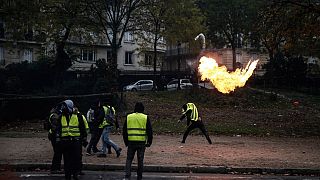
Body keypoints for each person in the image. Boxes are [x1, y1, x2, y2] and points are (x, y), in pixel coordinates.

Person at [57, 100, 88, 180]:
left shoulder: (78, 116)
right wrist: (58, 139)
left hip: (75, 141)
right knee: (67, 160)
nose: (63, 108)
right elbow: (59, 129)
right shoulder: (61, 116)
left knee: (76, 159)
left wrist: (84, 138)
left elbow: (82, 128)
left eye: (65, 106)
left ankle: (75, 174)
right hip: (65, 141)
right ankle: (67, 176)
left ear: (69, 106)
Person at [123, 102, 153, 180]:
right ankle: (139, 176)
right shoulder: (145, 117)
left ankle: (127, 176)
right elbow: (149, 131)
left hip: (131, 142)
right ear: (143, 109)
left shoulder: (129, 116)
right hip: (141, 142)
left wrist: (126, 141)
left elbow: (124, 130)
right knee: (140, 160)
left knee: (129, 159)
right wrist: (150, 141)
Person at [47, 102, 63, 174]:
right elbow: (56, 127)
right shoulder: (55, 116)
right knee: (57, 153)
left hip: (53, 135)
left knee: (58, 152)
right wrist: (57, 137)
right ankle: (54, 168)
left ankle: (57, 168)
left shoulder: (54, 114)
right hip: (54, 136)